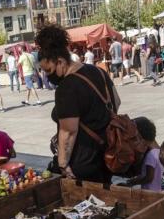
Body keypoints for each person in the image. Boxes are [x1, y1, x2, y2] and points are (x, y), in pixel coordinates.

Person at [36, 24, 120, 183]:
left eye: (48, 70)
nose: (47, 76)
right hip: (107, 155)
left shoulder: (67, 88)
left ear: (60, 61)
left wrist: (62, 165)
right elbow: (116, 101)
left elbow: (68, 132)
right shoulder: (98, 71)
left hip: (82, 163)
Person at [124, 117, 162, 191]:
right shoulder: (159, 151)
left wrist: (133, 182)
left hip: (151, 192)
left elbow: (149, 177)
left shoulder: (150, 155)